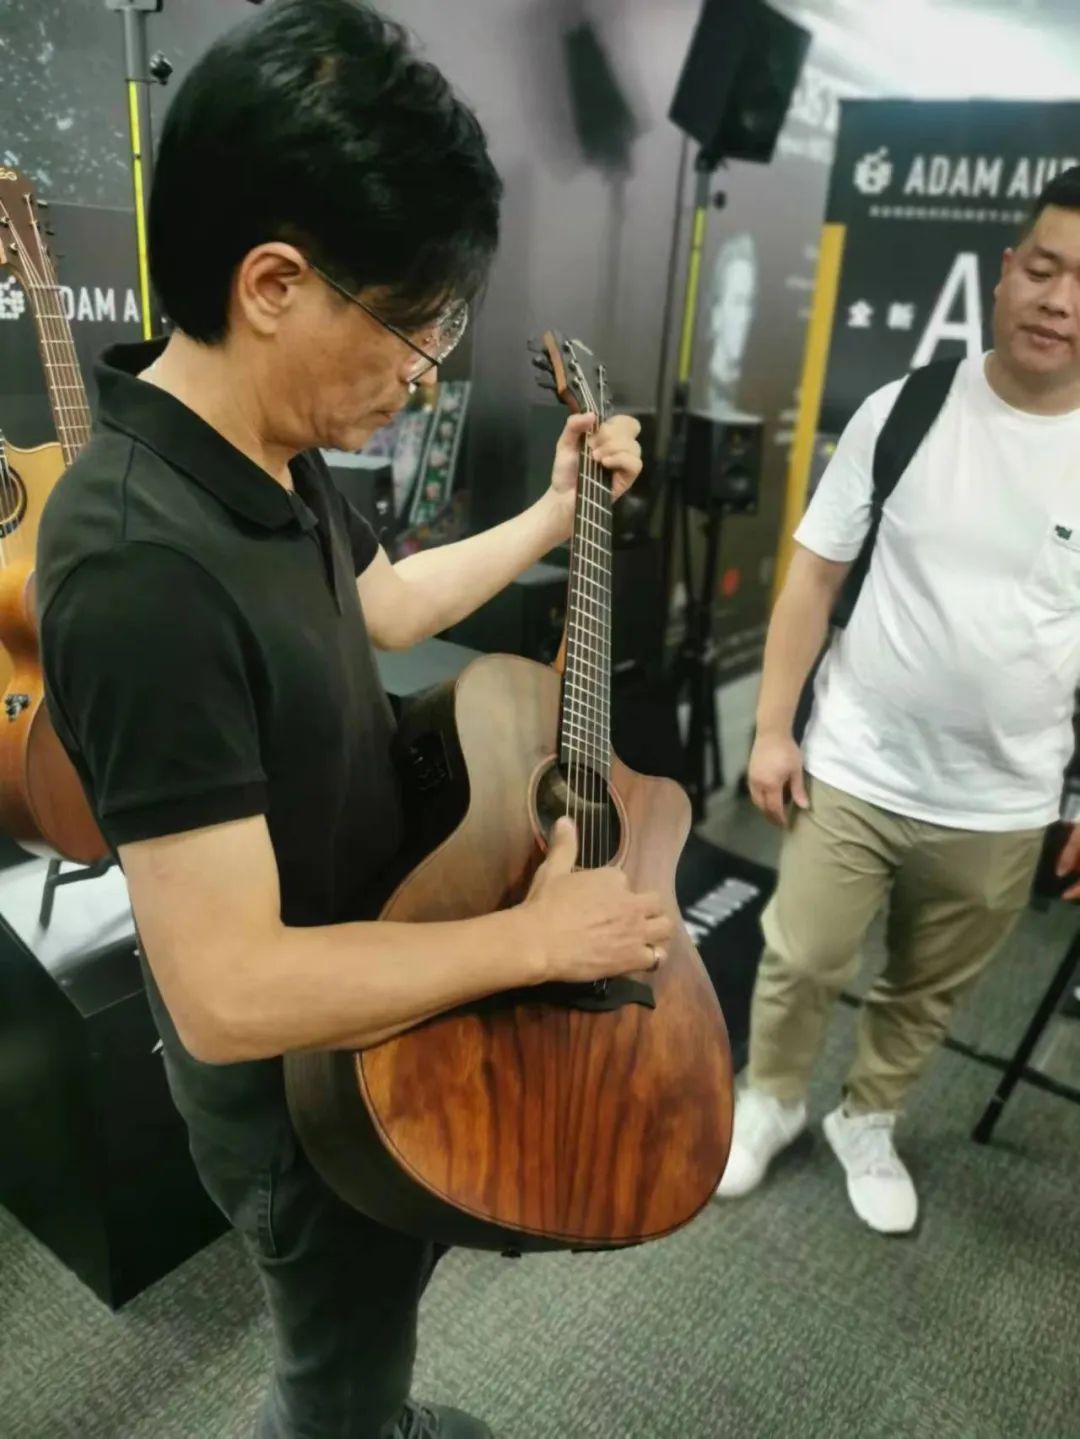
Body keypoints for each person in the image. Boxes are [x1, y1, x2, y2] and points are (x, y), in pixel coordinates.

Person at [36, 3, 667, 1436]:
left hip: (388, 992)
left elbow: (385, 604)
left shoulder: (260, 440)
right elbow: (228, 987)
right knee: (340, 1367)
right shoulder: (141, 567)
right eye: (413, 328)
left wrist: (555, 511)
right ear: (274, 283)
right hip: (303, 1103)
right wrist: (537, 941)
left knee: (387, 1303)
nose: (427, 372)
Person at [716, 166, 1080, 1235]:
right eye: (1045, 269)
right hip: (857, 761)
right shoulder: (908, 408)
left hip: (1005, 797)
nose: (1060, 300)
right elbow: (814, 578)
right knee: (801, 956)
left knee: (926, 988)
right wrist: (773, 728)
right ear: (1005, 272)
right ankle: (773, 1097)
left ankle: (866, 1116)